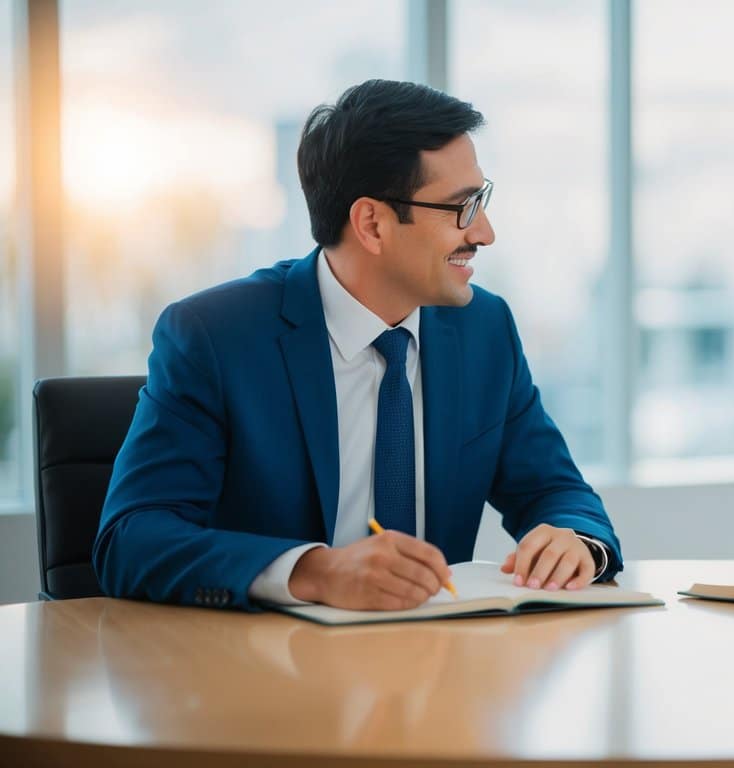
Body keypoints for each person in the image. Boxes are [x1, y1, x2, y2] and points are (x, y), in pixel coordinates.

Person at [95, 79, 621, 611]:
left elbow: (556, 491)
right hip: (264, 671)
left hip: (436, 672)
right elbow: (132, 539)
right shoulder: (214, 336)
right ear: (372, 223)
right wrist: (316, 572)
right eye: (462, 207)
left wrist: (574, 539)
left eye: (481, 201)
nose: (484, 232)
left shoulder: (485, 330)